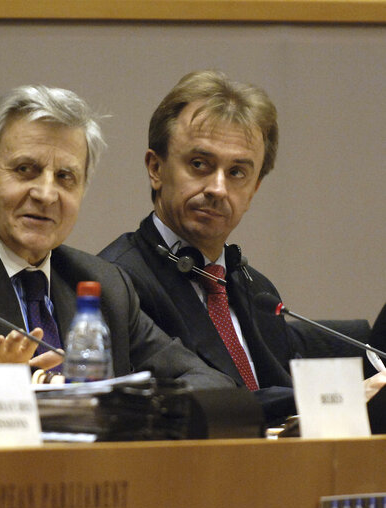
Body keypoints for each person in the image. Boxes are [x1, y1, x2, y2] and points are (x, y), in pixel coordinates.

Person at [0, 84, 234, 392]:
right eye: (26, 170)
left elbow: (210, 384)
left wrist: (130, 406)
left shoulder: (104, 286)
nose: (46, 194)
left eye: (65, 178)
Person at [99, 70, 386, 411]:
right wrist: (329, 400)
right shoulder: (118, 283)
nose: (218, 188)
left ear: (254, 190)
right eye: (199, 164)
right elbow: (194, 405)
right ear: (156, 168)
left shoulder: (258, 292)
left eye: (237, 173)